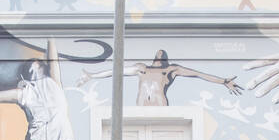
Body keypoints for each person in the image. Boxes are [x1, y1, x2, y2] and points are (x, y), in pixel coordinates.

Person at [78, 49, 244, 106]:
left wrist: (223, 81)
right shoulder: (141, 68)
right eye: (158, 54)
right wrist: (92, 76)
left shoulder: (171, 70)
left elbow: (198, 74)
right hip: (142, 103)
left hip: (159, 102)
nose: (160, 53)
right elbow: (116, 71)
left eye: (162, 54)